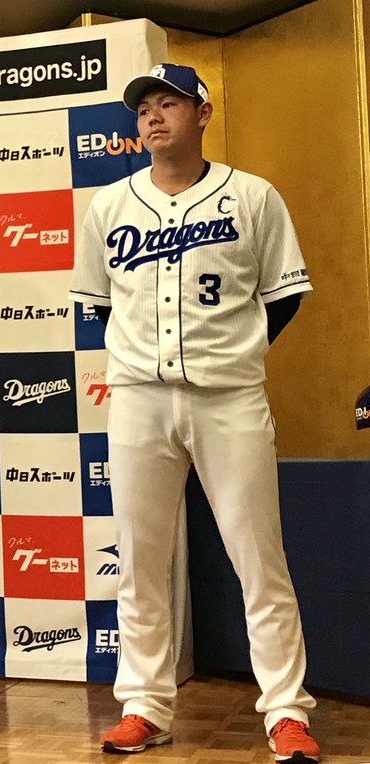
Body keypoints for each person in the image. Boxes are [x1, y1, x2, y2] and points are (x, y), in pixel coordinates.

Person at [69, 64, 320, 763]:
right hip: (139, 400)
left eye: (169, 103)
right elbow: (98, 305)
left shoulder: (252, 196)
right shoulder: (109, 205)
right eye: (143, 107)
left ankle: (285, 711)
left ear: (202, 114)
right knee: (140, 561)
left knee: (258, 559)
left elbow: (283, 297)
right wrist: (146, 358)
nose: (153, 116)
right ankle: (145, 707)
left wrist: (234, 352)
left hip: (228, 397)